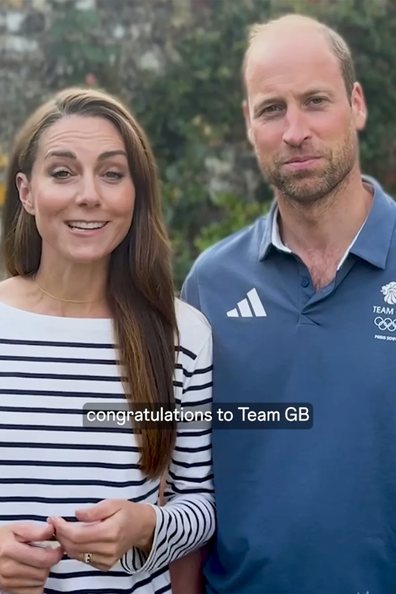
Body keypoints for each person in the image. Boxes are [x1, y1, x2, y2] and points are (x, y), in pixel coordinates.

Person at [181, 12, 396, 594]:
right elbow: (186, 486)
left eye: (315, 101)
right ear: (249, 123)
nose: (294, 130)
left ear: (356, 104)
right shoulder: (210, 286)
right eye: (272, 109)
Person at [0, 86, 215, 594]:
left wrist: (146, 527)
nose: (89, 194)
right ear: (27, 193)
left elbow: (201, 503)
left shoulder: (183, 336)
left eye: (112, 174)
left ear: (135, 194)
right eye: (63, 172)